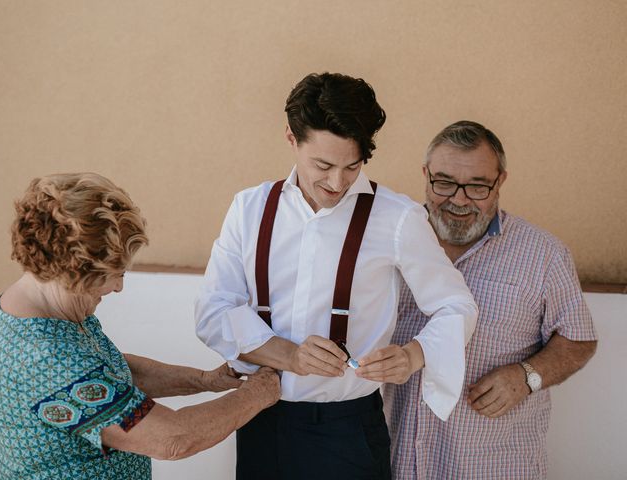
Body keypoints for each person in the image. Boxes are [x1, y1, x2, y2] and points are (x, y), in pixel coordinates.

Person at [195, 72, 478, 480]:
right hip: (258, 417)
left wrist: (413, 356)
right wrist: (288, 354)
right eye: (323, 165)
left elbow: (456, 305)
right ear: (291, 138)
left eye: (352, 166)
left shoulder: (397, 218)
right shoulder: (249, 208)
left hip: (348, 432)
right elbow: (212, 310)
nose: (337, 182)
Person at [0, 172, 280, 480]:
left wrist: (205, 380)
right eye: (116, 274)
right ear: (75, 272)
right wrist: (257, 394)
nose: (118, 287)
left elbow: (106, 376)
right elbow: (173, 439)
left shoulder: (30, 306)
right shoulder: (45, 358)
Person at [384, 120, 598, 480]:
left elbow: (578, 338)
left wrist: (526, 376)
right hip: (393, 461)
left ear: (500, 181)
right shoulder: (386, 244)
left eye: (478, 186)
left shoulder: (543, 254)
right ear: (425, 174)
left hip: (492, 466)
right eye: (445, 182)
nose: (459, 199)